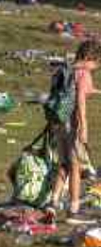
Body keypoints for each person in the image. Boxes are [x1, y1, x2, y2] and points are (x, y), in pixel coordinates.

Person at [50, 39, 101, 216]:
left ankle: (53, 202)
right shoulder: (84, 73)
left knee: (63, 163)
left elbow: (82, 90)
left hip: (58, 122)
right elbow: (80, 98)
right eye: (96, 63)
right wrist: (83, 126)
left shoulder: (65, 70)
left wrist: (97, 91)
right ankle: (74, 207)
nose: (95, 67)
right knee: (76, 166)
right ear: (88, 57)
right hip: (73, 123)